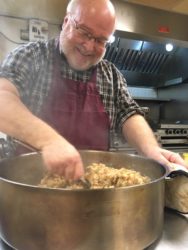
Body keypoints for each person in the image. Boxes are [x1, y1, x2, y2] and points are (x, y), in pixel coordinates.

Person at [0, 0, 187, 180]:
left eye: (100, 40)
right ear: (66, 22)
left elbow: (128, 114)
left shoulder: (110, 75)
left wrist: (151, 150)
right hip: (27, 190)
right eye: (84, 32)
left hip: (94, 194)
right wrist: (49, 141)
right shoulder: (30, 56)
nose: (89, 46)